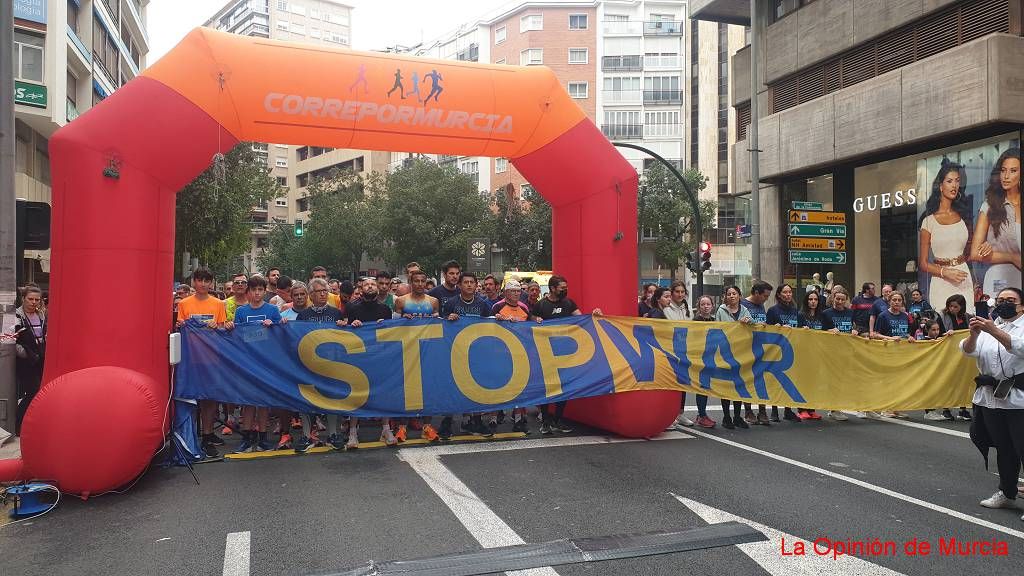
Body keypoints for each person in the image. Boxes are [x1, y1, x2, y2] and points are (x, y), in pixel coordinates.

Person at [960, 287, 1024, 521]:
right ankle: (1007, 492)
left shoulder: (1006, 326)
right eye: (1000, 300)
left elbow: (1019, 347)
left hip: (1019, 399)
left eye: (1011, 300)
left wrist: (993, 330)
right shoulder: (990, 324)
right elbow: (967, 351)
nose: (1004, 303)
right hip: (991, 397)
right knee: (1004, 448)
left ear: (1022, 305)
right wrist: (975, 334)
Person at [532, 275, 602, 435]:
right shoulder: (541, 305)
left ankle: (557, 420)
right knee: (548, 388)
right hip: (546, 352)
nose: (565, 290)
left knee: (564, 387)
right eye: (562, 288)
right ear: (552, 288)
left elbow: (582, 317)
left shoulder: (569, 303)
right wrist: (536, 319)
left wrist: (594, 315)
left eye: (566, 287)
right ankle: (546, 421)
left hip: (566, 352)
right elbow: (531, 319)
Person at [176, 268, 229, 457]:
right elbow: (179, 326)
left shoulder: (218, 304)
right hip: (190, 359)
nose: (203, 284)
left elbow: (223, 330)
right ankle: (188, 436)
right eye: (200, 280)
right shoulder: (183, 304)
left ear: (211, 283)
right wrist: (180, 325)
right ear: (194, 282)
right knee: (190, 397)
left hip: (211, 358)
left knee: (209, 398)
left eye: (207, 281)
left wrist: (219, 327)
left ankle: (207, 435)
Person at [230, 275, 285, 452]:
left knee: (262, 402)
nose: (257, 293)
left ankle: (262, 437)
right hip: (246, 362)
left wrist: (275, 326)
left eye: (260, 289)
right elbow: (236, 336)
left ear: (264, 291)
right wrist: (231, 327)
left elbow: (281, 336)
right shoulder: (241, 312)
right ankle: (247, 437)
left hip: (265, 363)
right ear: (248, 293)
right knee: (248, 403)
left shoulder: (272, 311)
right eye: (253, 290)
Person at [345, 277, 398, 448]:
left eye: (373, 284)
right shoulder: (352, 307)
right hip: (358, 356)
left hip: (379, 355)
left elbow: (389, 333)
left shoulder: (385, 309)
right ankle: (352, 432)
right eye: (367, 284)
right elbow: (343, 328)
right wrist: (351, 324)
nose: (370, 286)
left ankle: (385, 428)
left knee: (384, 391)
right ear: (360, 288)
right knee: (357, 393)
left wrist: (384, 326)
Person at [441, 272, 495, 439]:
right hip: (455, 351)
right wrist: (448, 318)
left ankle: (476, 421)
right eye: (466, 282)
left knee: (475, 387)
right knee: (452, 387)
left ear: (476, 285)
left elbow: (490, 324)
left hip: (476, 352)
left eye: (472, 282)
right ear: (460, 285)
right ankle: (447, 422)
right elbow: (441, 324)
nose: (469, 285)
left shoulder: (483, 304)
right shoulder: (451, 303)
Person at [918, 159, 975, 311]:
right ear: (941, 186)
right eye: (950, 181)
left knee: (968, 323)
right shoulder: (928, 221)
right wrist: (945, 272)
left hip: (963, 276)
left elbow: (971, 251)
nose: (954, 185)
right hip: (941, 279)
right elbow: (923, 263)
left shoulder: (964, 215)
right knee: (944, 326)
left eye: (957, 181)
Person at [971, 149, 1021, 296]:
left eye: (1013, 171)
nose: (1006, 176)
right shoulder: (990, 205)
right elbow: (974, 253)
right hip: (999, 279)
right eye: (1003, 170)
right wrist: (1012, 257)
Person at [490, 280, 533, 434]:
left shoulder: (524, 307)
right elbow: (486, 326)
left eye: (518, 291)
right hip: (500, 353)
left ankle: (519, 419)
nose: (516, 293)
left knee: (519, 387)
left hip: (519, 353)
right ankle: (493, 419)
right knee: (497, 386)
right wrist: (497, 319)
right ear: (506, 292)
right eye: (513, 291)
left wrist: (537, 321)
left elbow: (530, 326)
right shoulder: (497, 306)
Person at [872, 292, 915, 418]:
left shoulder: (905, 316)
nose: (896, 302)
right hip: (887, 352)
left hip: (901, 353)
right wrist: (890, 338)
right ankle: (885, 408)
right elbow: (876, 334)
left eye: (899, 300)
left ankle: (896, 407)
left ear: (902, 302)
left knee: (900, 381)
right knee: (887, 381)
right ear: (889, 301)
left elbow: (905, 333)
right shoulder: (883, 316)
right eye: (894, 300)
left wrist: (909, 337)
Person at [715, 286, 752, 429]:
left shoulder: (745, 310)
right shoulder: (721, 311)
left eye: (734, 294)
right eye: (729, 294)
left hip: (741, 353)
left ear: (739, 296)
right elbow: (717, 330)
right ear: (726, 297)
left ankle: (737, 416)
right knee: (726, 386)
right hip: (725, 353)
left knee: (739, 385)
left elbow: (753, 327)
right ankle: (726, 417)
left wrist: (748, 322)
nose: (732, 296)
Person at [13, 286, 46, 435]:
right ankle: (17, 425)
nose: (34, 302)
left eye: (37, 300)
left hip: (40, 360)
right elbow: (11, 341)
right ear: (23, 298)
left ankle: (31, 424)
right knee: (33, 392)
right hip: (26, 362)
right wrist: (26, 354)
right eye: (30, 299)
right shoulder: (16, 316)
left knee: (39, 392)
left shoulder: (41, 315)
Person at [686, 295, 717, 429]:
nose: (705, 307)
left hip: (712, 357)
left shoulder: (716, 321)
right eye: (703, 304)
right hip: (699, 357)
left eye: (708, 304)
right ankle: (701, 414)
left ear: (712, 306)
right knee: (702, 386)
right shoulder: (696, 321)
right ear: (699, 307)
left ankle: (702, 414)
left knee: (707, 386)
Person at [796, 290, 824, 421]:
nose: (813, 302)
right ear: (806, 301)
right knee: (803, 381)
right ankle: (802, 409)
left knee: (814, 382)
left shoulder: (822, 316)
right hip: (804, 353)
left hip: (817, 353)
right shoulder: (801, 315)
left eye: (816, 299)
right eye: (810, 299)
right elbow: (794, 332)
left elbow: (826, 331)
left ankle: (812, 409)